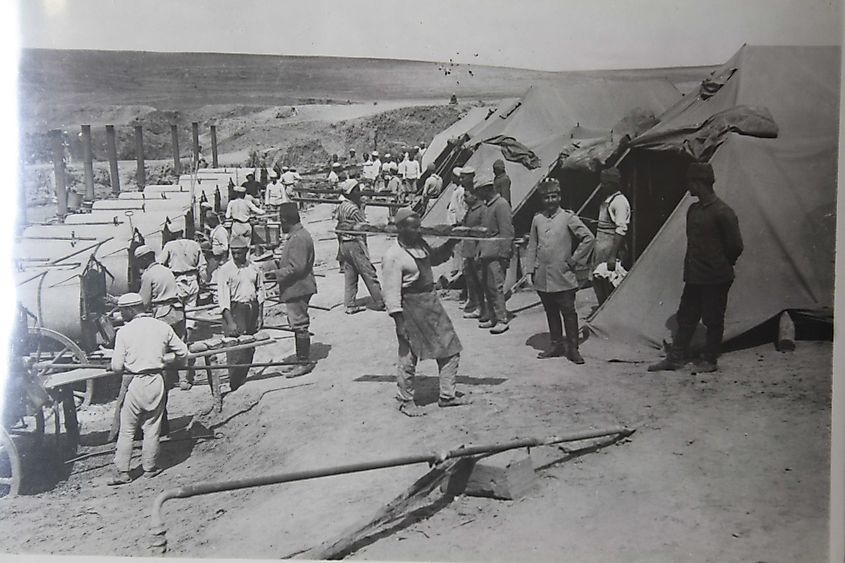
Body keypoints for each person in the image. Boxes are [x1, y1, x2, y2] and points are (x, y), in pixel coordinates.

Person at [649, 162, 743, 373]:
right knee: (686, 316)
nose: (687, 186)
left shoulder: (723, 212)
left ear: (699, 183)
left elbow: (736, 246)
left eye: (690, 181)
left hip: (716, 276)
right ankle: (675, 359)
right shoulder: (693, 210)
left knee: (713, 319)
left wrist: (720, 264)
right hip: (695, 276)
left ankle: (710, 360)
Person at [381, 208, 468, 417]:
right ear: (400, 229)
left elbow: (435, 258)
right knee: (409, 356)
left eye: (419, 227)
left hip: (431, 304)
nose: (418, 231)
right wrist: (399, 322)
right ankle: (405, 400)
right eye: (413, 228)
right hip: (410, 308)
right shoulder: (393, 256)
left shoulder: (420, 245)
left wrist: (451, 242)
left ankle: (448, 395)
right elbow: (391, 293)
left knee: (450, 347)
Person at [109, 293, 188, 485]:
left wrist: (129, 362)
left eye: (122, 311)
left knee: (127, 429)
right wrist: (171, 364)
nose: (121, 315)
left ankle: (123, 472)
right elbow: (184, 352)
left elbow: (116, 367)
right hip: (157, 380)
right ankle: (150, 468)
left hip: (136, 381)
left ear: (130, 310)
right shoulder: (162, 327)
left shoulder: (124, 332)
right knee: (152, 426)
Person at [526, 180, 595, 363]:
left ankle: (572, 348)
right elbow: (532, 245)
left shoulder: (568, 217)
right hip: (543, 276)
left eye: (554, 196)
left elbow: (588, 238)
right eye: (547, 197)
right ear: (542, 199)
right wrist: (529, 271)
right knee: (550, 311)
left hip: (563, 275)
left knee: (568, 312)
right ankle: (556, 345)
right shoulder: (537, 219)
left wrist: (574, 260)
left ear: (560, 197)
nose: (551, 200)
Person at [159, 217, 207, 389]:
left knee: (177, 316)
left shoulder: (169, 246)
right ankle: (188, 338)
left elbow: (160, 264)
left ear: (172, 233)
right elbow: (203, 266)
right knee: (191, 313)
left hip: (177, 281)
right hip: (192, 279)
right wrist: (203, 281)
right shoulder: (194, 245)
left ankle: (180, 345)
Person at [217, 237, 266, 391]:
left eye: (239, 253)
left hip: (252, 308)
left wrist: (260, 316)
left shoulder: (254, 267)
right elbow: (223, 298)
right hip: (234, 311)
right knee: (234, 350)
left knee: (249, 345)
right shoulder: (225, 270)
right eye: (234, 253)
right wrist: (230, 322)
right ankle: (234, 383)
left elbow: (261, 291)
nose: (236, 256)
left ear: (246, 251)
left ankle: (243, 379)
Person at [275, 202, 317, 378]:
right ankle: (301, 360)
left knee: (299, 325)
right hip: (297, 286)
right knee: (296, 324)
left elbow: (297, 267)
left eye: (281, 221)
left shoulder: (298, 238)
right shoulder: (298, 235)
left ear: (285, 220)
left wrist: (275, 274)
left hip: (298, 287)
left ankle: (303, 362)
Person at [335, 179, 386, 314]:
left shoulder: (342, 206)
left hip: (344, 244)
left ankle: (350, 304)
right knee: (368, 272)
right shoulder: (353, 209)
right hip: (354, 243)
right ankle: (380, 301)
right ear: (351, 193)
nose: (359, 192)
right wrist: (363, 208)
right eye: (357, 190)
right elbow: (364, 225)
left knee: (350, 275)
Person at [476, 175, 515, 334]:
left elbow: (507, 232)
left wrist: (505, 255)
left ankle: (501, 319)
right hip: (486, 253)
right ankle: (493, 316)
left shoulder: (501, 205)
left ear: (487, 189)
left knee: (496, 287)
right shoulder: (487, 206)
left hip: (497, 254)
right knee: (488, 286)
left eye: (479, 191)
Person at [592, 167, 631, 306]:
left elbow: (621, 230)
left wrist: (612, 256)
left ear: (614, 184)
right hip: (602, 249)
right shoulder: (608, 200)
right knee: (599, 283)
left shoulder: (619, 201)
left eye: (605, 183)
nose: (602, 186)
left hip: (611, 250)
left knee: (611, 285)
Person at [461, 183, 487, 320]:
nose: (464, 198)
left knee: (481, 282)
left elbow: (483, 232)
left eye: (467, 195)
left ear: (475, 195)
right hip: (469, 251)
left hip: (477, 252)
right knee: (473, 282)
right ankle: (478, 306)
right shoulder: (470, 210)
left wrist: (479, 251)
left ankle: (484, 309)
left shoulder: (482, 210)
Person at [205, 212, 229, 283]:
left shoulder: (221, 231)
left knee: (211, 274)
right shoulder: (216, 229)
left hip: (218, 257)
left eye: (209, 222)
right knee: (208, 272)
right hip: (213, 256)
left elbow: (225, 247)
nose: (208, 224)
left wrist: (215, 251)